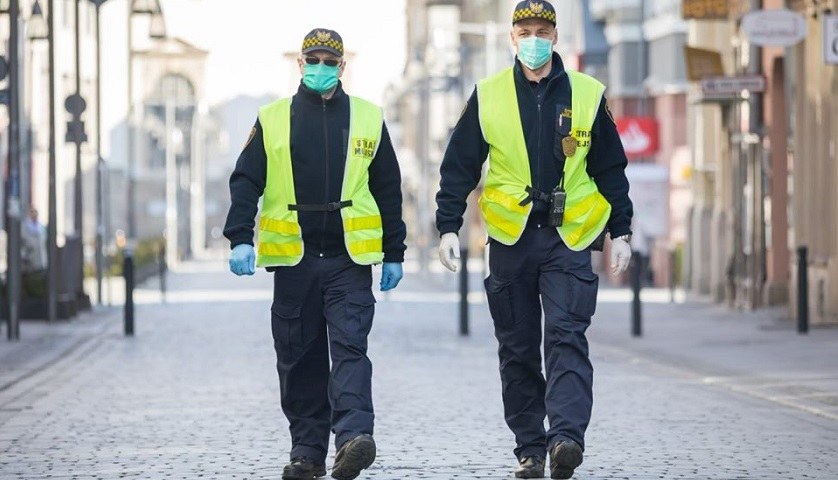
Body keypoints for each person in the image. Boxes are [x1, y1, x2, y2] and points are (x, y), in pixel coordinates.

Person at [434, 1, 633, 478]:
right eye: (525, 30)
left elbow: (610, 167)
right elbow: (459, 165)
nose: (533, 38)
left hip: (569, 237)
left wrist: (621, 229)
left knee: (567, 336)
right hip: (511, 239)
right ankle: (530, 447)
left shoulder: (587, 94)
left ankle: (566, 438)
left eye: (542, 29)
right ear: (512, 38)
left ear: (556, 36)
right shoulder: (489, 94)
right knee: (517, 347)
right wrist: (447, 224)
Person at [224, 28, 407, 480]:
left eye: (330, 61)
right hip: (294, 259)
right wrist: (240, 236)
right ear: (300, 65)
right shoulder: (272, 119)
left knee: (350, 349)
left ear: (343, 67)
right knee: (299, 357)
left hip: (348, 259)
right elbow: (246, 179)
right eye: (314, 60)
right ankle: (307, 452)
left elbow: (387, 188)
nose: (322, 68)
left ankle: (353, 438)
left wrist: (394, 250)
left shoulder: (368, 117)